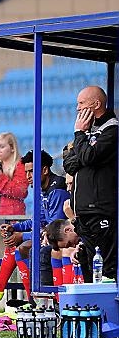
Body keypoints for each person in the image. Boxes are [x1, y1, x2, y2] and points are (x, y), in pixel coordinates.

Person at [0, 150, 69, 301]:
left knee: (23, 247)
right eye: (26, 172)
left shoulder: (57, 191)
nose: (28, 176)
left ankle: (31, 299)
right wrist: (15, 228)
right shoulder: (42, 190)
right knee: (16, 245)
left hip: (60, 240)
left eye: (32, 171)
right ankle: (9, 291)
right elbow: (38, 220)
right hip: (49, 235)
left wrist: (22, 236)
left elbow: (54, 230)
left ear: (44, 170)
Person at [63, 85, 118, 281]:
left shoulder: (111, 130)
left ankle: (108, 310)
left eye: (81, 103)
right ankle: (91, 308)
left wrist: (80, 136)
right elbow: (69, 162)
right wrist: (83, 150)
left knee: (105, 268)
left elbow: (88, 156)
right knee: (86, 262)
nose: (77, 109)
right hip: (83, 213)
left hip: (100, 210)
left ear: (96, 104)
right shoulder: (88, 132)